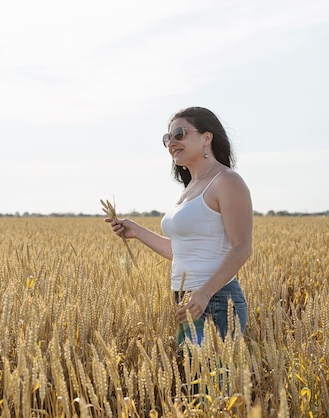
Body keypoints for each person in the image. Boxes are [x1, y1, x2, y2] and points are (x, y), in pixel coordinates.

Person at [105, 106, 252, 344]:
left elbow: (242, 247)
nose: (172, 142)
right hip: (187, 299)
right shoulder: (190, 189)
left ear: (207, 137)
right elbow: (181, 252)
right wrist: (137, 231)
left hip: (216, 300)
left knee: (216, 381)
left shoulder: (226, 181)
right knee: (195, 380)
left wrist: (204, 293)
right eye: (167, 138)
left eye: (180, 134)